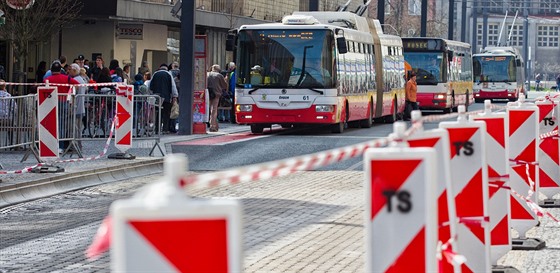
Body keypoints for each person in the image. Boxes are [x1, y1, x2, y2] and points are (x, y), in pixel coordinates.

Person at [44, 60, 80, 153]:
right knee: (62, 125)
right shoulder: (67, 78)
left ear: (51, 70)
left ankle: (51, 144)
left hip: (51, 103)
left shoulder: (47, 80)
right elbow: (78, 85)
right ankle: (61, 145)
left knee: (51, 124)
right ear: (60, 70)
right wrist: (71, 93)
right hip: (64, 103)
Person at [149, 64, 178, 134]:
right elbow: (173, 86)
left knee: (158, 113)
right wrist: (175, 96)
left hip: (157, 97)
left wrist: (150, 94)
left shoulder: (155, 74)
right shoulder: (168, 74)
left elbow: (150, 85)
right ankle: (165, 129)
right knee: (166, 114)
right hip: (167, 97)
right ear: (166, 69)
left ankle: (157, 129)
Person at [207, 64, 228, 132]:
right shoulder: (219, 75)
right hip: (216, 94)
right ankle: (212, 126)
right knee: (214, 110)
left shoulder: (207, 74)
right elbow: (224, 86)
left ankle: (215, 125)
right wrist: (226, 80)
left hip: (208, 93)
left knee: (210, 109)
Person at [69, 64, 86, 149]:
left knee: (74, 127)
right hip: (81, 107)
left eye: (70, 70)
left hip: (75, 108)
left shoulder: (74, 80)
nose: (69, 71)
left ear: (74, 70)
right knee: (79, 128)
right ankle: (79, 144)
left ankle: (74, 145)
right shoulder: (82, 80)